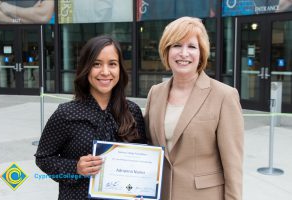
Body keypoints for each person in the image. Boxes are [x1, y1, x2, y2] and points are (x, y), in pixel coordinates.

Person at [35, 35, 146, 200]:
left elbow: (143, 158)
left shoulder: (133, 111)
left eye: (112, 64)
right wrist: (75, 168)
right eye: (97, 64)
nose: (105, 72)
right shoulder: (66, 114)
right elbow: (43, 158)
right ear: (86, 68)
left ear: (120, 69)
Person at [144, 17, 244, 200]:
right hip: (161, 194)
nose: (183, 53)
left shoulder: (224, 96)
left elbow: (233, 166)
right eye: (176, 45)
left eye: (191, 46)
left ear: (201, 53)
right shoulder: (155, 93)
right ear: (166, 51)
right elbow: (148, 146)